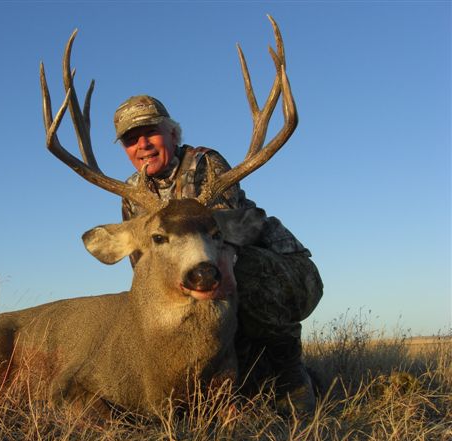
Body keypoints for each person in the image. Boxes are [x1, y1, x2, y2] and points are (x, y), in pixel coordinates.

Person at [114, 95, 323, 412]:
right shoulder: (133, 195)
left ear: (173, 134)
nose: (141, 145)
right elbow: (145, 270)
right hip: (209, 289)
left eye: (150, 133)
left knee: (231, 274)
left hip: (279, 276)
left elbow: (225, 246)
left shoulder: (205, 166)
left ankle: (290, 374)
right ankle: (255, 371)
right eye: (131, 139)